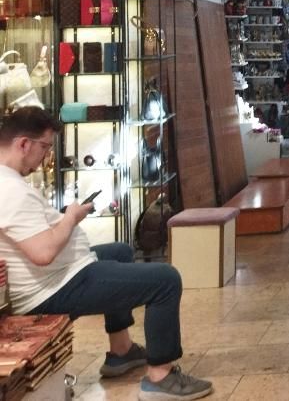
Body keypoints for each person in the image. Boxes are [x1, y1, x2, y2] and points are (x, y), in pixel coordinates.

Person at [0, 107, 212, 401]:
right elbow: (43, 253)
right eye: (45, 148)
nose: (46, 157)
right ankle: (161, 378)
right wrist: (71, 217)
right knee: (166, 279)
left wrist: (67, 218)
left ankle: (121, 350)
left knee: (120, 251)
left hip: (60, 275)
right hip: (52, 289)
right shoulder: (9, 189)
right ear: (24, 144)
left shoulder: (9, 181)